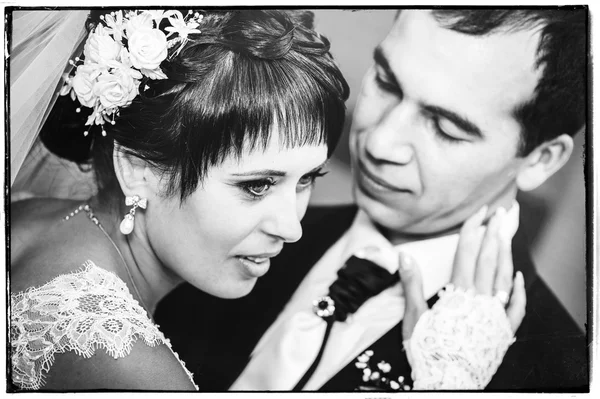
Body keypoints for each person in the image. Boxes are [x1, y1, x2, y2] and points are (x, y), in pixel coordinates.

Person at [155, 9, 588, 391]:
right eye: (385, 81)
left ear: (541, 160)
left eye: (445, 128)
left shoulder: (561, 374)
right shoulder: (225, 236)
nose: (380, 142)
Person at [9, 9, 350, 390]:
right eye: (257, 185)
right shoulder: (134, 370)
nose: (291, 228)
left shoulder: (27, 215)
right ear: (138, 170)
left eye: (307, 179)